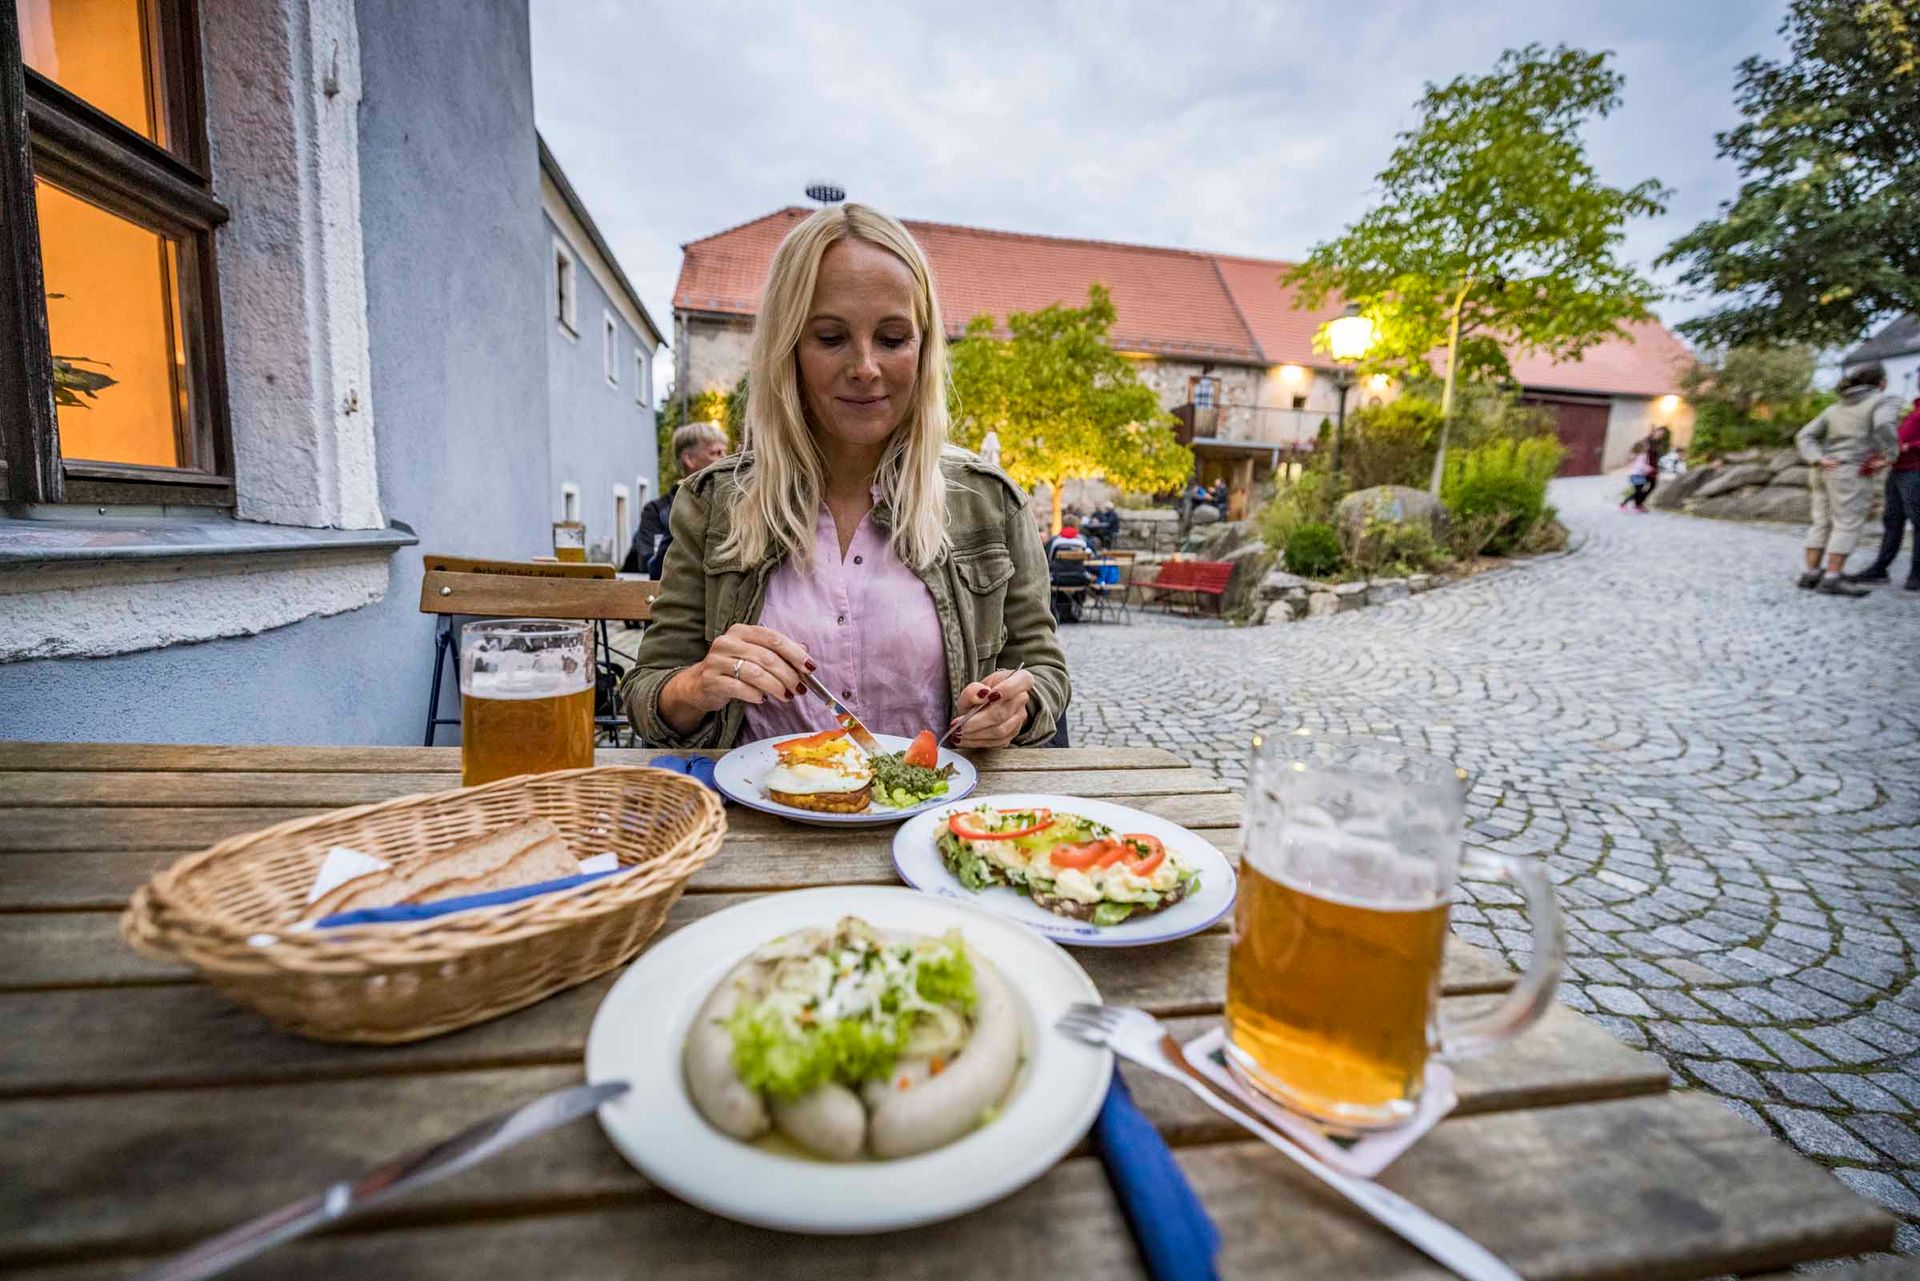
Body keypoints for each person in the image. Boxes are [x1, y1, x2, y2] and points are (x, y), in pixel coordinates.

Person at [621, 204, 1068, 749]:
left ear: (924, 348)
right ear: (788, 349)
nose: (865, 367)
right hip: (767, 819)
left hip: (937, 819)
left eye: (893, 338)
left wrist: (1017, 708)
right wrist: (694, 687)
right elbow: (647, 692)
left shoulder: (988, 501)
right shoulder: (714, 502)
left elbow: (1043, 669)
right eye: (831, 338)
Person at [1794, 362, 1901, 597]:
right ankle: (1832, 578)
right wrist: (1891, 454)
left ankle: (1810, 573)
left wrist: (1817, 458)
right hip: (1850, 471)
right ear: (1881, 382)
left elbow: (1805, 435)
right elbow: (1884, 424)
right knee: (1847, 522)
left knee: (1821, 521)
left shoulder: (1835, 407)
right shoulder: (1884, 400)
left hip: (1823, 469)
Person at [623, 422, 729, 577]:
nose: (725, 459)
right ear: (689, 459)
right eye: (716, 453)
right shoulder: (655, 511)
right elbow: (651, 567)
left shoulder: (728, 503)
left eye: (725, 452)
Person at [1842, 396, 1920, 590]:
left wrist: (1907, 447)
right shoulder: (1915, 410)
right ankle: (1880, 569)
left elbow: (1907, 443)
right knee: (1892, 521)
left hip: (1915, 470)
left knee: (1919, 523)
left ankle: (1916, 575)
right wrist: (1885, 456)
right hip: (1898, 470)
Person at [1619, 441, 1655, 513]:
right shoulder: (1642, 455)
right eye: (1646, 446)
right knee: (1638, 492)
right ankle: (1623, 504)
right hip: (1636, 474)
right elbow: (1640, 465)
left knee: (1639, 492)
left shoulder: (1638, 455)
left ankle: (1635, 505)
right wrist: (1650, 468)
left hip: (1636, 474)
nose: (1648, 447)